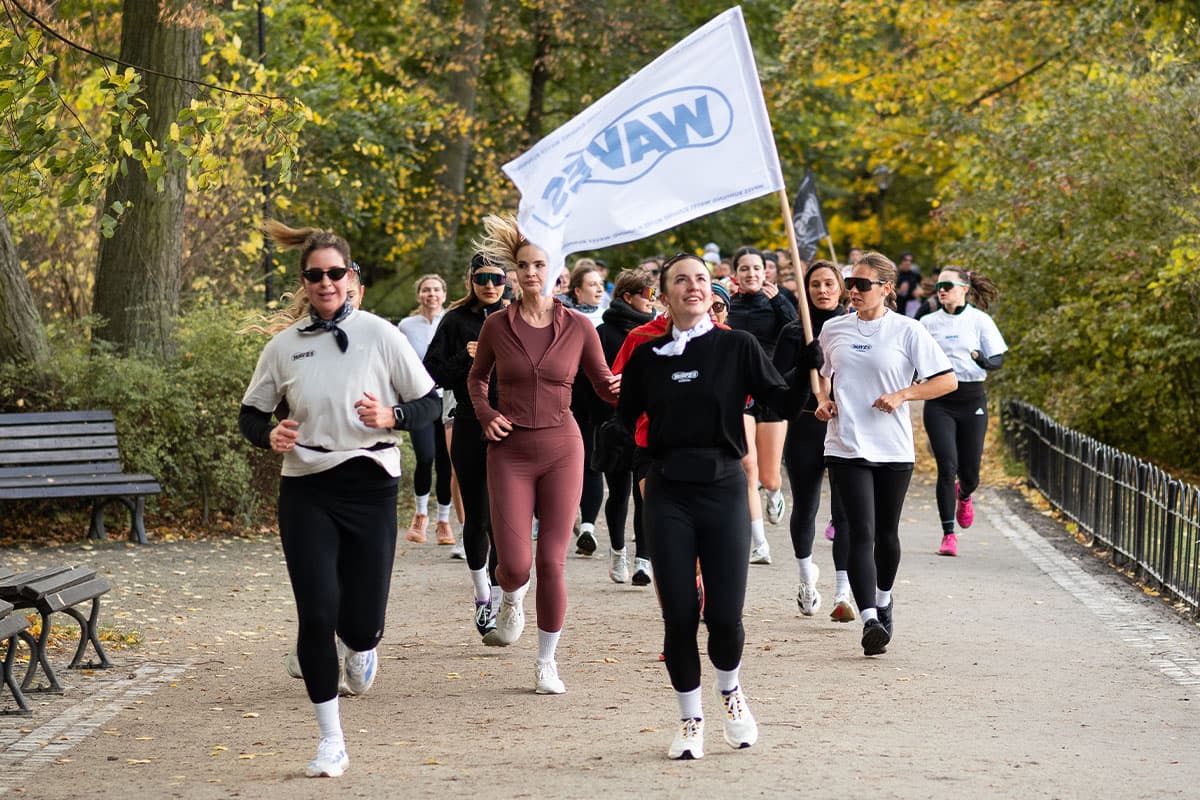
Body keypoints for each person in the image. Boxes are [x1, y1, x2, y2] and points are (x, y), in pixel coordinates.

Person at [239, 220, 441, 778]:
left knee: (360, 623)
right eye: (315, 275)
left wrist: (391, 415)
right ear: (304, 283)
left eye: (334, 273)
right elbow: (251, 414)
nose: (325, 283)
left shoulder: (382, 334)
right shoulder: (283, 347)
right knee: (316, 612)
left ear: (351, 277)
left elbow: (431, 404)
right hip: (306, 485)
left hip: (371, 482)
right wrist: (270, 434)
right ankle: (331, 740)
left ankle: (362, 646)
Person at [616, 253, 819, 760]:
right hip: (668, 491)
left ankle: (730, 691)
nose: (693, 286)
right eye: (681, 280)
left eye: (702, 279)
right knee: (679, 614)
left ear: (712, 291)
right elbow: (624, 419)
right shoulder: (647, 354)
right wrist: (629, 459)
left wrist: (804, 369)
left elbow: (779, 402)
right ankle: (690, 720)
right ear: (665, 295)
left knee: (724, 617)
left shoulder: (737, 346)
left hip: (724, 487)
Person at [467, 214, 619, 694]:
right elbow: (476, 379)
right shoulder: (496, 325)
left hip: (562, 449)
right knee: (515, 564)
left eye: (540, 265)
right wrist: (486, 413)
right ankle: (512, 597)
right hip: (509, 451)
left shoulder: (580, 327)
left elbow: (604, 385)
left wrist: (634, 386)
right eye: (524, 265)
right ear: (514, 272)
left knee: (552, 560)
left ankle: (546, 661)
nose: (531, 273)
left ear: (557, 273)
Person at [814, 252, 957, 657]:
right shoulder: (833, 329)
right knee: (860, 530)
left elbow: (946, 381)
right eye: (850, 283)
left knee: (886, 534)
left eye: (862, 284)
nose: (853, 291)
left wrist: (903, 394)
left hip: (892, 447)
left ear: (886, 288)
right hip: (845, 444)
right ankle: (869, 620)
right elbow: (822, 377)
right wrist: (823, 401)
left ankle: (884, 598)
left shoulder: (908, 331)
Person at [423, 254, 509, 639]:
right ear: (470, 280)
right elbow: (431, 373)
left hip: (514, 426)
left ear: (507, 281)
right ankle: (482, 595)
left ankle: (504, 594)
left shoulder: (517, 316)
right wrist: (465, 356)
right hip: (471, 422)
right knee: (478, 516)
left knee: (507, 517)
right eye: (482, 278)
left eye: (497, 278)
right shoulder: (456, 321)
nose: (489, 285)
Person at [772, 261, 854, 620]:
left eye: (829, 284)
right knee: (805, 506)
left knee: (845, 511)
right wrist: (803, 366)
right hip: (806, 426)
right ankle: (807, 579)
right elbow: (775, 385)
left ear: (841, 289)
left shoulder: (854, 327)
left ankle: (843, 591)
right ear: (806, 290)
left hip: (845, 427)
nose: (822, 290)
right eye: (815, 284)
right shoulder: (794, 331)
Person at [921, 266, 1006, 556]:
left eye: (947, 285)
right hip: (939, 400)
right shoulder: (928, 322)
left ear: (964, 289)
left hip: (972, 400)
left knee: (970, 474)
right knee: (947, 467)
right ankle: (948, 535)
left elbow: (997, 360)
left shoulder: (980, 320)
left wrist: (982, 360)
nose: (942, 290)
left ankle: (965, 493)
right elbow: (911, 357)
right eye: (938, 286)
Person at [728, 246, 799, 564]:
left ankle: (773, 493)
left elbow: (798, 330)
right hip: (738, 393)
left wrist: (779, 300)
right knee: (747, 466)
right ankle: (759, 544)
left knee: (769, 477)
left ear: (766, 271)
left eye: (756, 268)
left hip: (771, 390)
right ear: (735, 274)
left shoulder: (778, 301)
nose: (751, 273)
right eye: (744, 268)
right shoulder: (729, 304)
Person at [595, 269, 657, 582]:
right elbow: (596, 378)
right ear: (627, 297)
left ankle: (643, 559)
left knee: (645, 493)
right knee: (619, 492)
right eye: (647, 294)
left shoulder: (661, 331)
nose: (652, 300)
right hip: (615, 422)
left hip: (648, 424)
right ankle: (618, 551)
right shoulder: (604, 332)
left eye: (655, 294)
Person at [398, 274, 457, 548]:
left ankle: (443, 521)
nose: (431, 294)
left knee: (446, 462)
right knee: (425, 456)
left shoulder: (451, 321)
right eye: (426, 290)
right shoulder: (406, 326)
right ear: (419, 295)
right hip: (419, 400)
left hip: (447, 399)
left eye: (436, 290)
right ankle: (420, 514)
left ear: (444, 294)